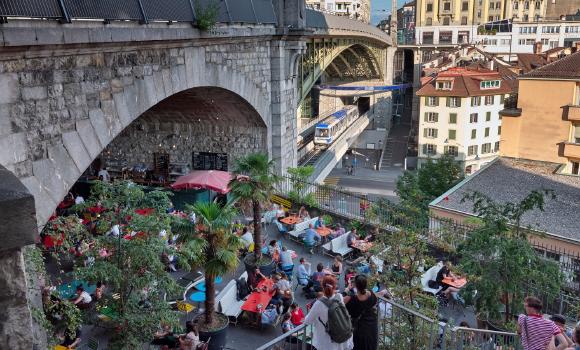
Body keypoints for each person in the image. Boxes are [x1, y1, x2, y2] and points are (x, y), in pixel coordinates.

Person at [304, 275, 354, 350]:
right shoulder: (339, 296)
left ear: (322, 287)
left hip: (328, 341)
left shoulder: (319, 303)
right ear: (334, 287)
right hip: (343, 336)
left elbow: (307, 321)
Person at [344, 275, 379, 350]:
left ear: (355, 285)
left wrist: (346, 290)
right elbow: (374, 304)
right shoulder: (372, 294)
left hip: (359, 330)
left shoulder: (351, 299)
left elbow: (339, 302)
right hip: (372, 327)